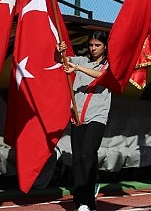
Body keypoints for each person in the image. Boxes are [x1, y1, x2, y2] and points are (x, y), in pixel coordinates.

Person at [55, 31, 110, 211]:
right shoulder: (81, 60)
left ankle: (86, 200)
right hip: (78, 117)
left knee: (87, 154)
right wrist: (59, 51)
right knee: (78, 159)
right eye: (91, 45)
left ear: (105, 46)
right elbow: (61, 60)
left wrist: (77, 69)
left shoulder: (109, 65)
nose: (93, 49)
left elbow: (101, 76)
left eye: (97, 45)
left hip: (97, 117)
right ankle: (83, 200)